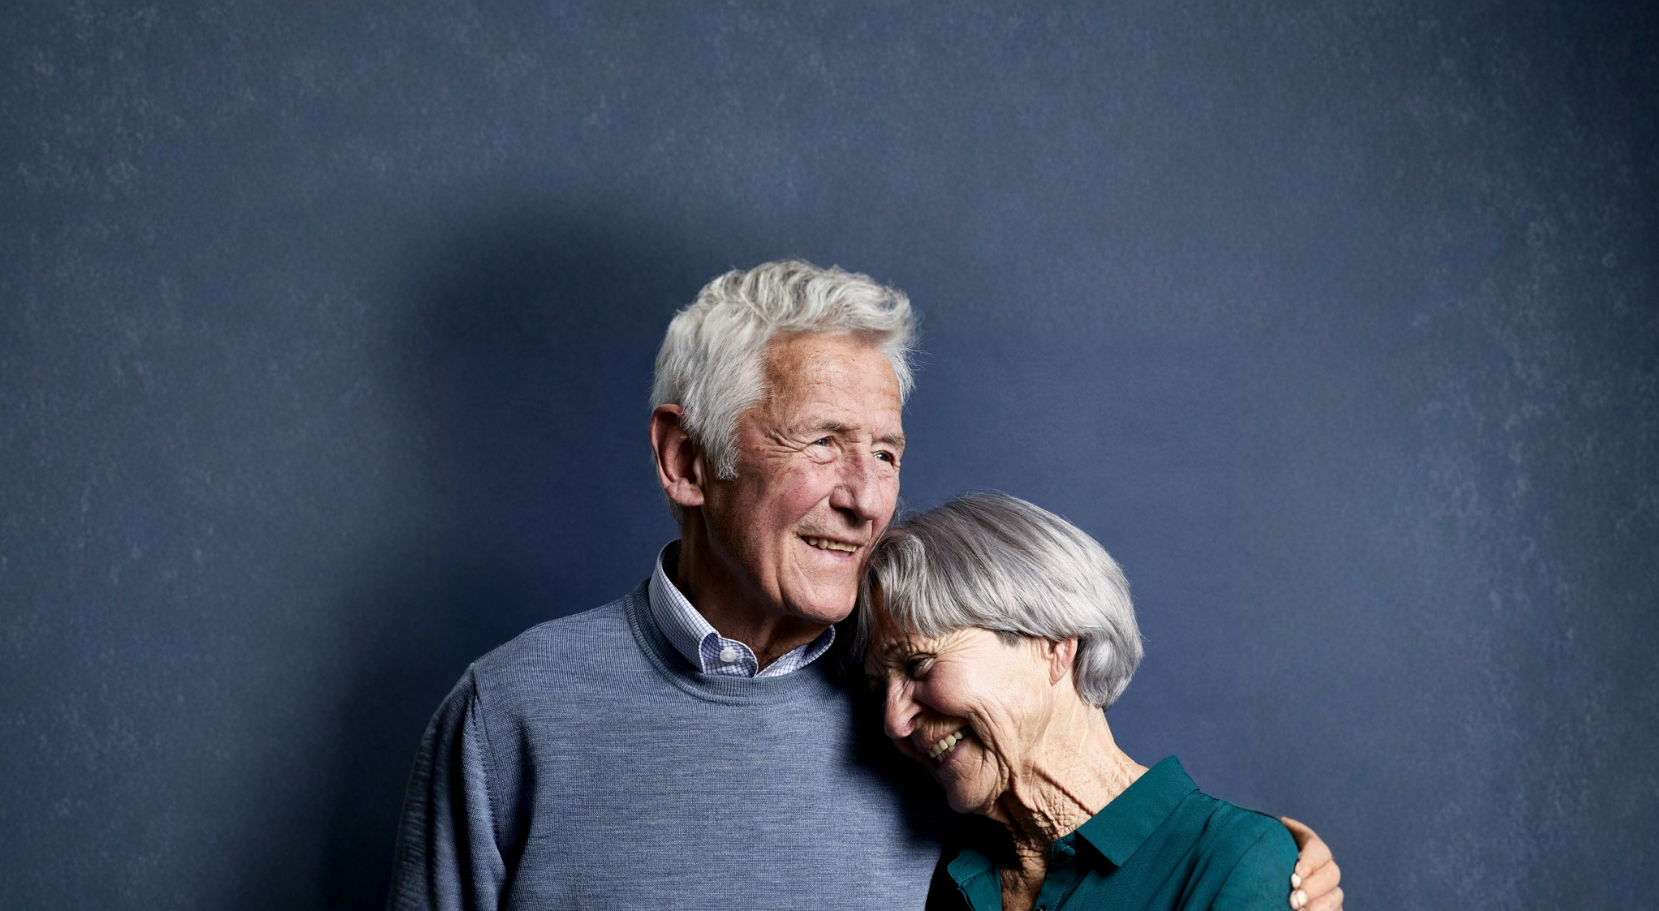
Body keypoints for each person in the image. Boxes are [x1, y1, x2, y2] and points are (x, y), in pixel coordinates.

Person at [387, 261, 1341, 909]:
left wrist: (1263, 861)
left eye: (884, 450)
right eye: (822, 442)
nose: (865, 497)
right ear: (686, 459)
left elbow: (1093, 830)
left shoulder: (922, 721)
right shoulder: (510, 714)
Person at [859, 492, 1344, 911]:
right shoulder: (937, 866)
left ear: (1052, 643)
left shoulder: (1233, 858)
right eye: (881, 689)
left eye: (919, 665)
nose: (894, 721)